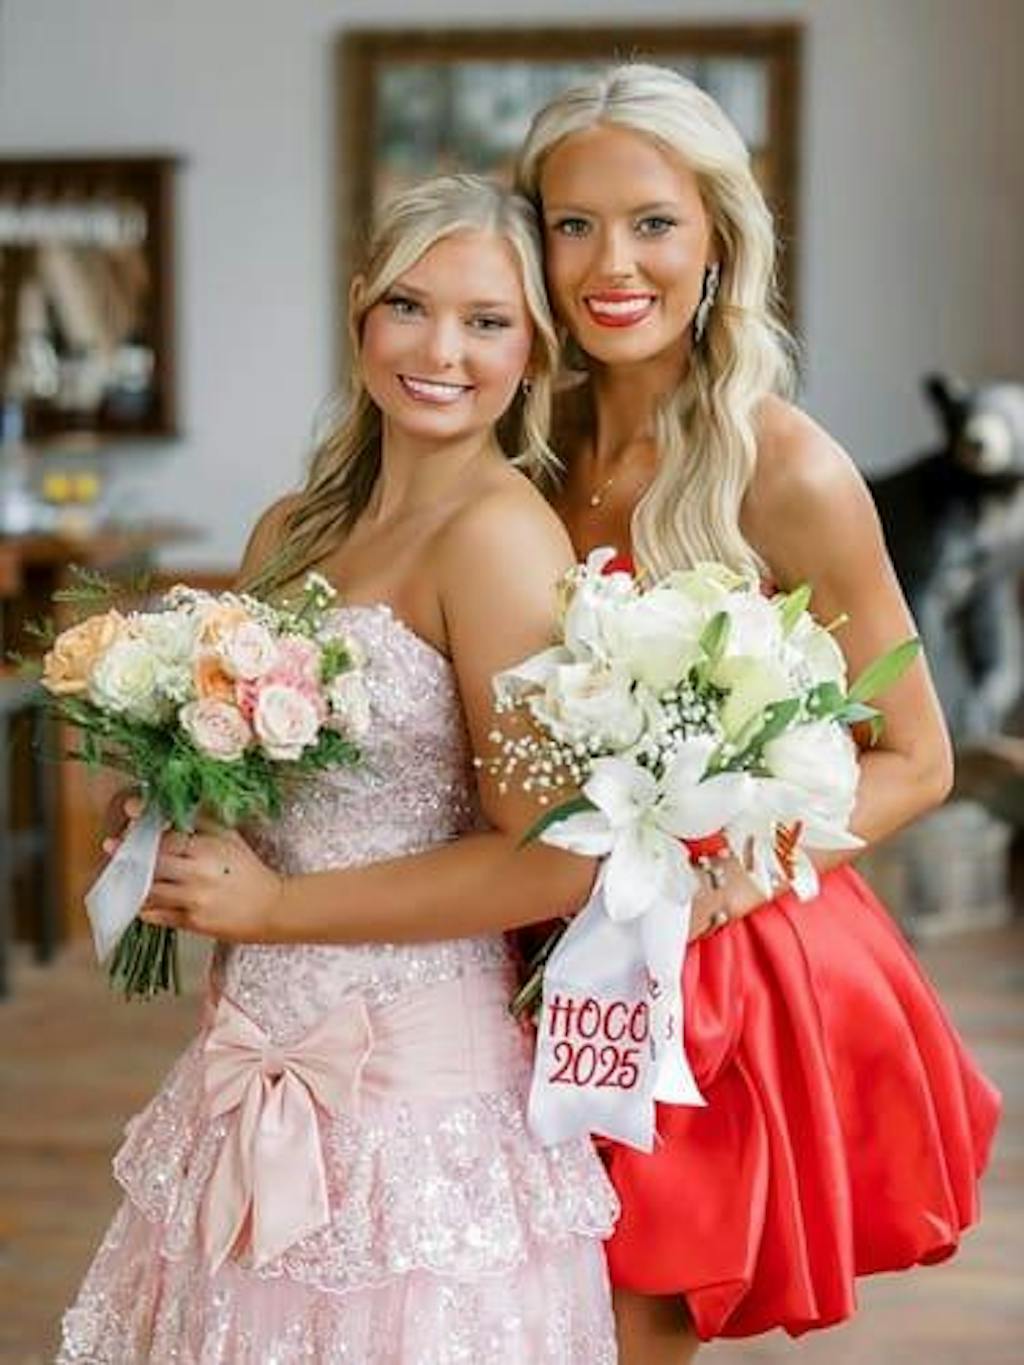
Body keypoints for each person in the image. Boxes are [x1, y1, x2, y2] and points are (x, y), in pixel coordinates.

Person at [131, 68, 1000, 1364]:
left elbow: (918, 759)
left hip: (694, 961)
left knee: (622, 1319)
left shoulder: (785, 468)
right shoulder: (520, 433)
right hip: (499, 940)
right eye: (574, 225)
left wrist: (719, 875)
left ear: (717, 238)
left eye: (652, 223)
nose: (611, 264)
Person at [57, 175, 619, 1365]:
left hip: (412, 1103)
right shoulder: (291, 531)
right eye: (409, 305)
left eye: (486, 321)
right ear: (360, 306)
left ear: (534, 350)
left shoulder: (499, 537)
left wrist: (275, 908)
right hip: (249, 1060)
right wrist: (168, 806)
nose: (440, 351)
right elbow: (280, 790)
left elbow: (555, 860)